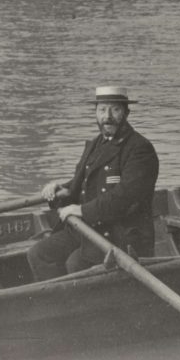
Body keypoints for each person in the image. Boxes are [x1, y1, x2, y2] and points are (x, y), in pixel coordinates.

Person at [27, 85, 160, 281]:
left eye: (115, 109)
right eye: (102, 110)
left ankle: (80, 308)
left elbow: (123, 197)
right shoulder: (96, 144)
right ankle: (63, 306)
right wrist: (61, 189)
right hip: (91, 226)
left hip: (121, 234)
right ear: (95, 113)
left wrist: (81, 211)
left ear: (126, 113)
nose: (108, 116)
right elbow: (83, 182)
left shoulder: (140, 149)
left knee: (75, 264)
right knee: (39, 254)